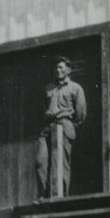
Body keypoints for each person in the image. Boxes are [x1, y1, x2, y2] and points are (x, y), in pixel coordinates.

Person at [35, 56, 86, 199]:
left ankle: (60, 196)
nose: (57, 70)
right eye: (56, 68)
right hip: (47, 126)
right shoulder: (48, 88)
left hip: (64, 124)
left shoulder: (75, 88)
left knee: (60, 162)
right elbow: (42, 108)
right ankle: (43, 195)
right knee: (40, 161)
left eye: (61, 67)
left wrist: (69, 125)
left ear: (68, 70)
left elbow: (81, 113)